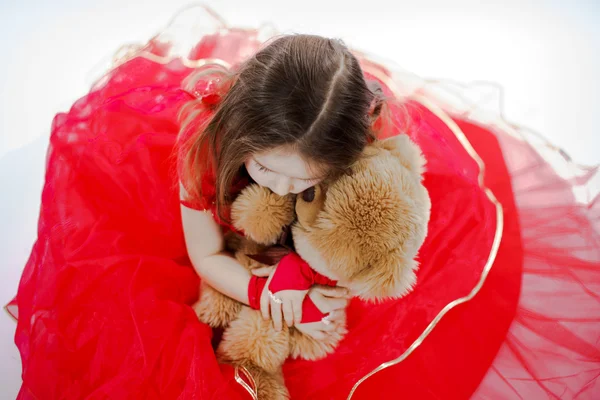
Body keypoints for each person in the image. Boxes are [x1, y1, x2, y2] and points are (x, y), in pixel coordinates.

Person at [6, 7, 599, 400]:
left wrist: (339, 274)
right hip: (234, 232)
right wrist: (270, 290)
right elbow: (206, 256)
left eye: (305, 182)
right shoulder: (202, 149)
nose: (283, 192)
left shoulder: (373, 138)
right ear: (240, 138)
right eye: (267, 170)